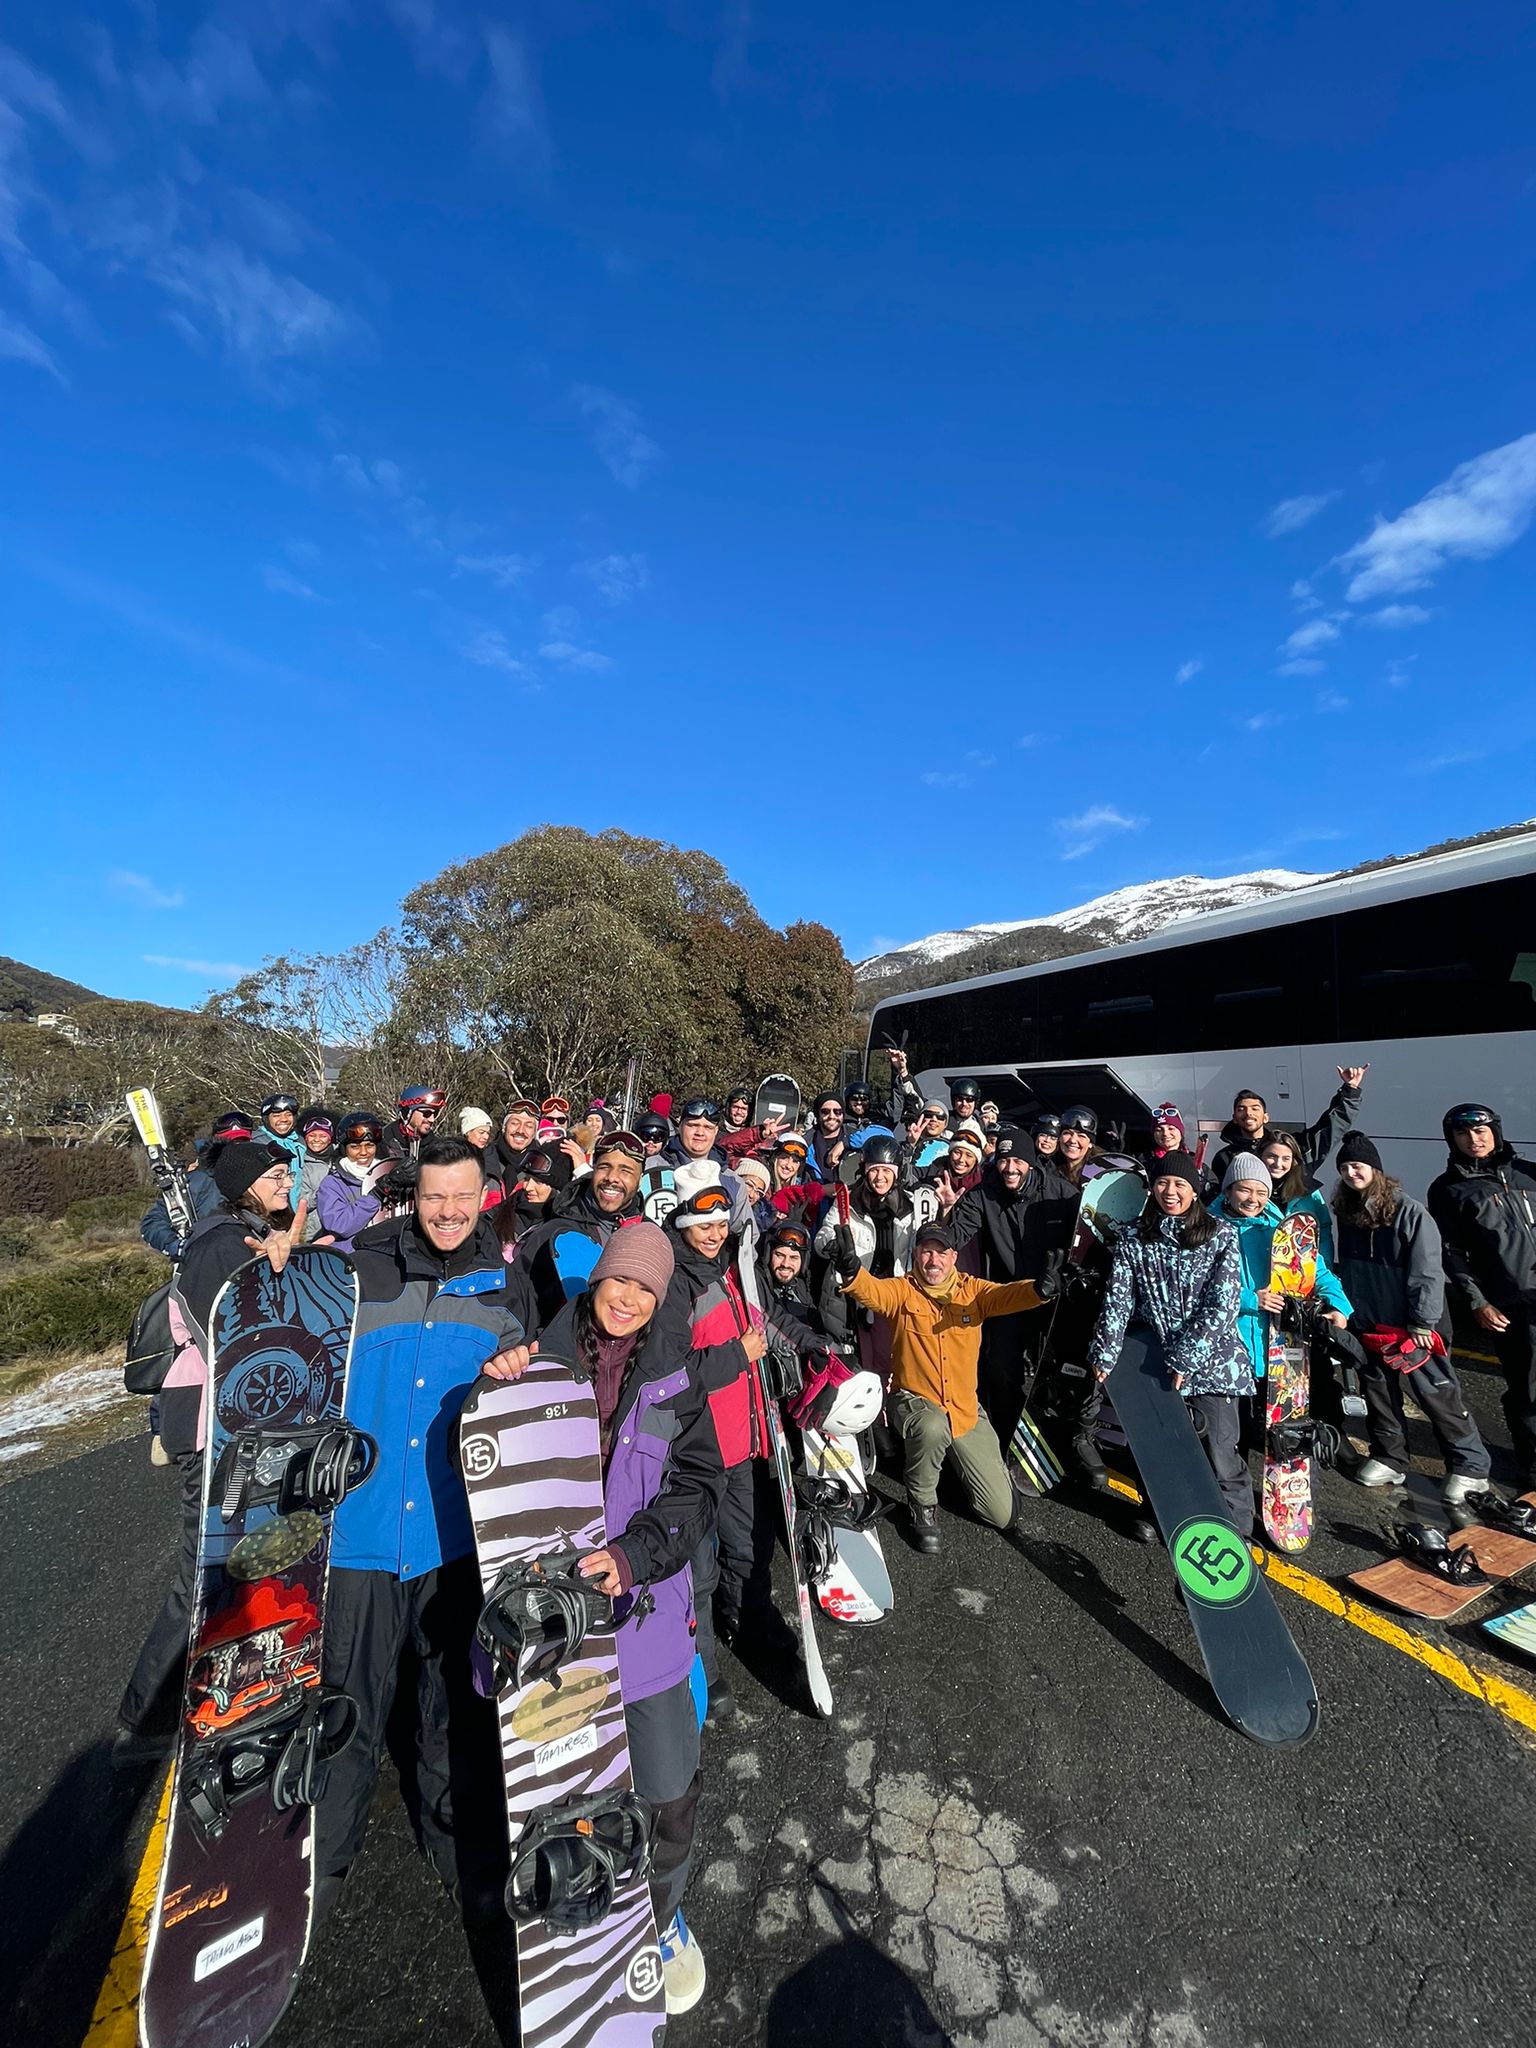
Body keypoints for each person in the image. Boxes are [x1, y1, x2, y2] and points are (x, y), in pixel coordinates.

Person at [316, 1136, 529, 1925]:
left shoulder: (504, 1289)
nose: (447, 1212)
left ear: (485, 1199)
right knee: (348, 1706)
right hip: (361, 1533)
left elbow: (528, 1387)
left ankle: (453, 1839)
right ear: (416, 1195)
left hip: (452, 1537)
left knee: (450, 1704)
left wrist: (513, 1366)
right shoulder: (355, 1268)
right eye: (434, 1196)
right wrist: (272, 1254)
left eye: (461, 1197)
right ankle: (323, 1861)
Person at [528, 1223, 724, 2014]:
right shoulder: (538, 1361)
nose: (628, 1299)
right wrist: (498, 1380)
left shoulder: (677, 1380)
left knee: (669, 1793)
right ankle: (565, 1906)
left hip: (642, 1617)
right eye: (619, 1282)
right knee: (562, 1783)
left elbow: (699, 1487)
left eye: (646, 1288)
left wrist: (638, 1554)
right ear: (598, 1279)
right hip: (550, 1621)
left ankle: (662, 1917)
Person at [114, 1139, 308, 1765]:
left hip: (233, 1428)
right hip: (211, 1431)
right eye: (277, 1176)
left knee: (230, 1568)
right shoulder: (221, 1243)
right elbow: (236, 1334)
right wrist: (282, 1268)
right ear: (246, 1185)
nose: (286, 1184)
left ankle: (226, 1692)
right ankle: (142, 1722)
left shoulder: (242, 1231)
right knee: (202, 1573)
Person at [831, 1221, 1045, 1552]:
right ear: (916, 1254)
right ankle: (922, 1503)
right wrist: (851, 1271)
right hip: (914, 1402)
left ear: (953, 1257)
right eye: (926, 1251)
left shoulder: (973, 1292)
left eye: (941, 1252)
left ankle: (956, 1467)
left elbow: (1009, 1295)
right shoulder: (903, 1291)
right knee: (932, 1427)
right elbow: (872, 1291)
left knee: (1002, 1515)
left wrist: (1040, 1290)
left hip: (962, 1408)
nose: (934, 1260)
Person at [663, 1164, 790, 1716]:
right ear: (682, 1224)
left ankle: (750, 1623)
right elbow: (668, 1373)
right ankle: (705, 1665)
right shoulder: (675, 1282)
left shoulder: (726, 1267)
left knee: (746, 1548)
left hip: (740, 1438)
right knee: (699, 1568)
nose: (715, 1232)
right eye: (703, 1225)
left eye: (721, 1224)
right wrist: (740, 1354)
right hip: (695, 1450)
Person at [1089, 1154, 1254, 1537]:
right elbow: (1119, 1300)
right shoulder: (1134, 1236)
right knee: (1159, 1449)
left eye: (1180, 1184)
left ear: (1195, 1191)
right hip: (1156, 1362)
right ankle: (1157, 1514)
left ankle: (1237, 1537)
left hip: (1214, 1365)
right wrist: (1106, 1352)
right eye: (1163, 1183)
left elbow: (1224, 1304)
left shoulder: (1220, 1234)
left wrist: (1186, 1358)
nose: (1171, 1192)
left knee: (1220, 1456)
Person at [1330, 1133, 1489, 1501]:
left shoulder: (1409, 1212)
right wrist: (1348, 1312)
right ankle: (1391, 1458)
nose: (1352, 1173)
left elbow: (1428, 1272)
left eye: (1358, 1165)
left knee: (1437, 1394)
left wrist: (1422, 1322)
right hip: (1370, 1325)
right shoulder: (1347, 1212)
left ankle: (1471, 1466)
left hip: (1411, 1327)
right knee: (1379, 1393)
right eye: (1345, 1167)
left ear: (1376, 1169)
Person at [1428, 1102, 1536, 1494]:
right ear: (1452, 1139)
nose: (1474, 1139)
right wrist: (1477, 1300)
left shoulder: (1527, 1174)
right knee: (1528, 1386)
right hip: (1508, 1302)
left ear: (1496, 1131)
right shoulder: (1449, 1189)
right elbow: (1451, 1252)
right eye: (1463, 1134)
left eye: (1481, 1131)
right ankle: (1531, 1464)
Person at [944, 1128, 1076, 1441]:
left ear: (1030, 1163)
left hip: (1053, 1299)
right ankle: (1004, 1435)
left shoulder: (1062, 1194)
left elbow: (1084, 1241)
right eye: (1004, 1160)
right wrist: (941, 1227)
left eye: (1017, 1160)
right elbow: (956, 1235)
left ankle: (1055, 1434)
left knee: (1053, 1371)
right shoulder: (984, 1194)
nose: (1010, 1168)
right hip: (1008, 1296)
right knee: (1001, 1369)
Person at [1210, 1153, 1352, 1399]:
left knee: (1276, 1430)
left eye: (1261, 1192)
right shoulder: (1206, 1232)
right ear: (1228, 1191)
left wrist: (1339, 1306)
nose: (1253, 1199)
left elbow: (1318, 1272)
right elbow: (1196, 1289)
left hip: (1280, 1349)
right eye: (1245, 1190)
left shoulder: (1286, 1231)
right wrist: (1250, 1299)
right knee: (1232, 1431)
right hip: (1228, 1352)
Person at [505, 1129, 647, 1334]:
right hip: (560, 1354)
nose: (612, 1178)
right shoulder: (555, 1233)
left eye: (626, 1171)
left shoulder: (648, 1236)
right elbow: (517, 1301)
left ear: (640, 1179)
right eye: (605, 1167)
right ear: (593, 1169)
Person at [813, 1136, 937, 1369]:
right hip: (854, 1294)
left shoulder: (913, 1208)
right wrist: (834, 1246)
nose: (880, 1177)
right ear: (864, 1170)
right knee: (859, 1362)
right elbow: (824, 1236)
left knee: (894, 1360)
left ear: (897, 1172)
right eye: (874, 1170)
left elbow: (931, 1242)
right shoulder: (848, 1203)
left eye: (886, 1171)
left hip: (895, 1293)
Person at [1207, 1067, 1367, 1187]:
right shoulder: (1224, 1158)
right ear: (1234, 1118)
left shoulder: (1293, 1146)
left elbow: (1330, 1129)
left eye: (1255, 1108)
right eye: (1241, 1109)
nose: (1248, 1113)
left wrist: (1350, 1092)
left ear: (1266, 1117)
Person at [316, 1112, 394, 1251]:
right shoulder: (332, 1184)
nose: (363, 1152)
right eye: (355, 1146)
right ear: (344, 1149)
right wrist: (374, 1197)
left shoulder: (388, 1175)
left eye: (369, 1145)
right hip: (352, 1258)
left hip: (388, 1256)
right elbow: (339, 1224)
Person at [382, 1082, 447, 1163]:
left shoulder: (438, 1148)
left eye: (435, 1113)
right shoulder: (382, 1141)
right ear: (407, 1113)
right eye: (427, 1113)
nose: (432, 1119)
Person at [296, 1109, 336, 1238]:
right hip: (314, 1231)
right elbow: (301, 1201)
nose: (317, 1140)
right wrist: (323, 1192)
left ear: (330, 1138)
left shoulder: (341, 1158)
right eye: (312, 1136)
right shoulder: (302, 1164)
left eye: (323, 1136)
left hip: (340, 1226)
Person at [256, 1093, 306, 1184]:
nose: (284, 1119)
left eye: (288, 1114)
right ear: (266, 1119)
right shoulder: (257, 1143)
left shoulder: (300, 1142)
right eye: (276, 1116)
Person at [808, 1092, 846, 1179]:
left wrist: (845, 1143)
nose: (832, 1116)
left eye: (837, 1111)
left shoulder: (853, 1136)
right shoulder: (807, 1141)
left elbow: (882, 1133)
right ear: (817, 1115)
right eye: (825, 1112)